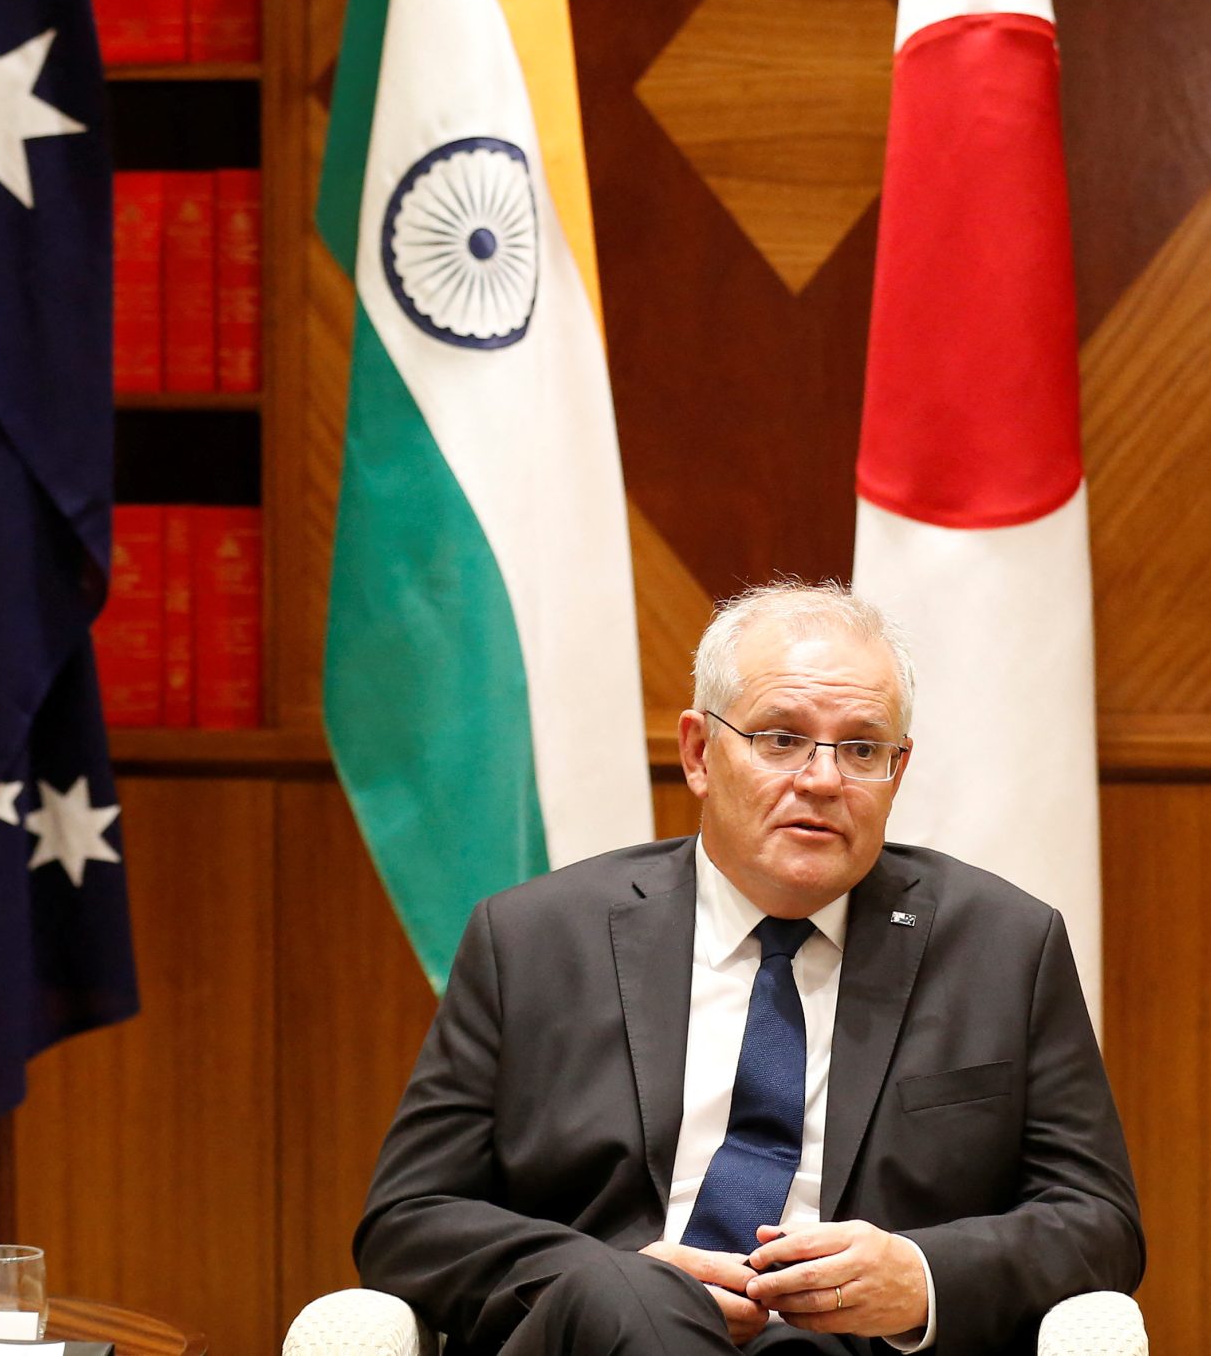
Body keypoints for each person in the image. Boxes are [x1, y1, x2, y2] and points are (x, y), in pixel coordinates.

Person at [355, 581, 1142, 1355]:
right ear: (699, 753)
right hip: (605, 1335)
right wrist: (608, 1282)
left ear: (897, 773)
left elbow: (1099, 1219)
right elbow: (409, 1217)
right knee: (631, 1300)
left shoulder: (1004, 947)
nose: (823, 780)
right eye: (781, 738)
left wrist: (924, 1274)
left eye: (862, 748)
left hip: (851, 1350)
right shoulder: (534, 940)